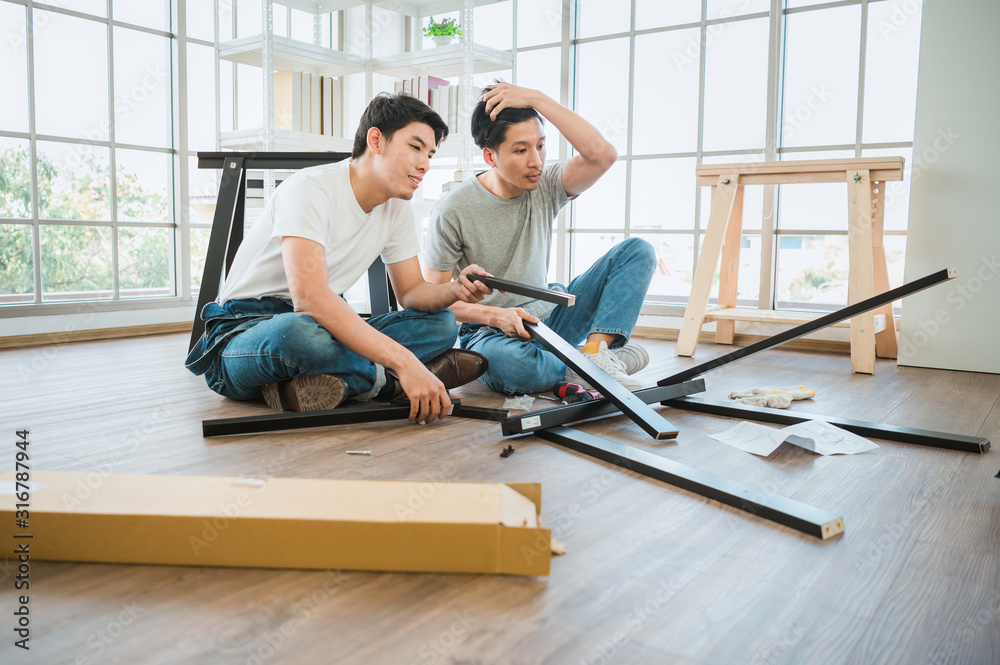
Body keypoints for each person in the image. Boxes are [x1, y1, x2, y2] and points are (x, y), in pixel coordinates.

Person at [185, 93, 491, 423]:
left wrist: (454, 290)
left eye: (430, 154)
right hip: (246, 331)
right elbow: (311, 299)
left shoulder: (398, 207)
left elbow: (412, 292)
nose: (425, 164)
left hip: (323, 324)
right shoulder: (310, 189)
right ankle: (389, 383)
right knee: (300, 335)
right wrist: (406, 363)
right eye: (415, 148)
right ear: (376, 140)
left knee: (442, 324)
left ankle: (305, 387)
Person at [423, 83, 656, 396]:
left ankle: (595, 354)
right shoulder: (453, 209)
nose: (536, 161)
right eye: (521, 150)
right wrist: (495, 315)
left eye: (541, 146)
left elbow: (603, 156)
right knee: (517, 366)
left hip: (549, 312)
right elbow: (433, 302)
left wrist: (536, 99)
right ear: (490, 156)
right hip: (490, 331)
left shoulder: (546, 184)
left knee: (637, 251)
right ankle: (594, 364)